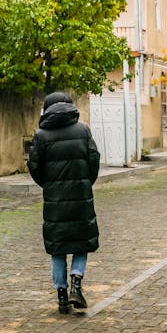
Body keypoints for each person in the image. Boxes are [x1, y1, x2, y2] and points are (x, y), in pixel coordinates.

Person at [27, 91, 100, 314]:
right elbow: (94, 159)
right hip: (80, 196)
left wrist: (48, 184)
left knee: (58, 248)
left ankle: (61, 295)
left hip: (54, 200)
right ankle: (76, 283)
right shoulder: (83, 130)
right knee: (81, 242)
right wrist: (86, 181)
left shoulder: (41, 135)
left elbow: (34, 166)